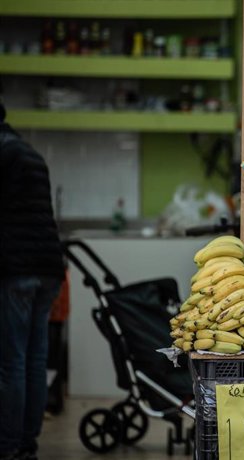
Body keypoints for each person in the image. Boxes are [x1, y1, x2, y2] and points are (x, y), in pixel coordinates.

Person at [0, 102, 65, 460]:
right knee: (34, 360)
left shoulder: (3, 153)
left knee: (11, 360)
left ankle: (8, 447)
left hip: (17, 269)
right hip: (48, 267)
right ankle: (27, 443)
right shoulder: (28, 152)